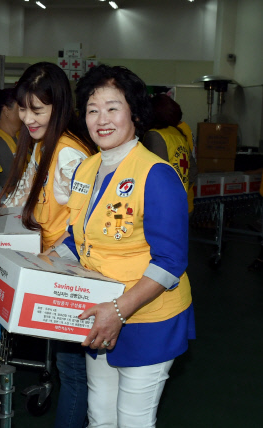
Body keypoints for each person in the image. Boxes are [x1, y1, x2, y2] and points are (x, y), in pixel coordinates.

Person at [54, 65, 194, 427]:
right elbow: (79, 235)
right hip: (99, 312)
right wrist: (44, 262)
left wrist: (119, 310)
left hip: (148, 317)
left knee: (133, 419)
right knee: (99, 416)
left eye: (113, 108)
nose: (101, 119)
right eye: (92, 109)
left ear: (134, 112)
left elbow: (170, 261)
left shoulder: (156, 175)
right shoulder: (87, 169)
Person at [0, 62, 96, 428]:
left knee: (74, 370)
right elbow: (23, 197)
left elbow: (86, 225)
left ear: (60, 107)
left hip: (70, 272)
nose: (28, 118)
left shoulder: (69, 154)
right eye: (23, 108)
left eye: (38, 109)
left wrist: (51, 256)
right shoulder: (43, 147)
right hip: (53, 267)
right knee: (70, 366)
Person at [143, 93, 198, 214]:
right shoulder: (178, 134)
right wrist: (180, 190)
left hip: (163, 209)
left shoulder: (154, 135)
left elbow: (157, 177)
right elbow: (193, 170)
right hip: (181, 205)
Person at [0, 88, 22, 187]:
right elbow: (9, 181)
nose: (25, 114)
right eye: (20, 109)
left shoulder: (17, 136)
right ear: (6, 111)